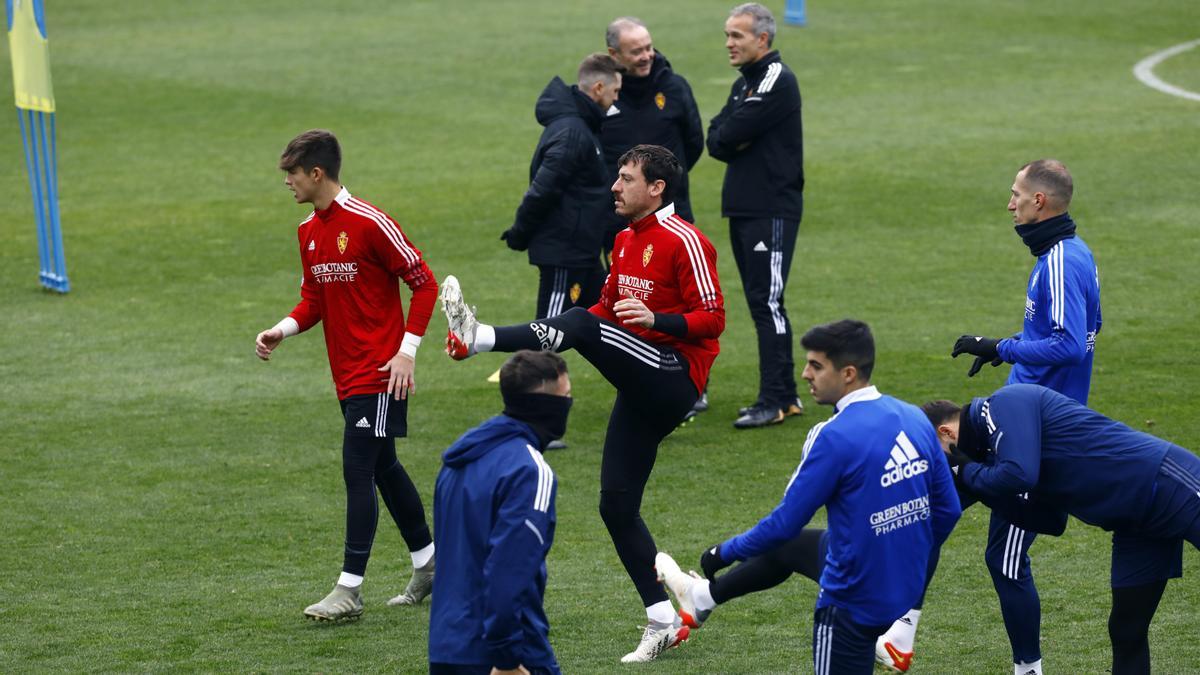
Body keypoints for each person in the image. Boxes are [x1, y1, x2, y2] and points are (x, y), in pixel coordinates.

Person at [441, 144, 724, 663]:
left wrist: (657, 322)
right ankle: (663, 619)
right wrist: (573, 329)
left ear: (656, 188)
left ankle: (477, 335)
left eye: (626, 178)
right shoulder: (622, 240)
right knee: (615, 504)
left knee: (582, 323)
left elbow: (714, 318)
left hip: (676, 377)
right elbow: (601, 310)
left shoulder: (686, 240)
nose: (615, 187)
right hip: (641, 384)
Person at [878, 159, 1102, 674]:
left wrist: (1002, 346)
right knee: (932, 510)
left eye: (1016, 194)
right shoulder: (1064, 255)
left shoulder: (1065, 261)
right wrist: (1010, 353)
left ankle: (1029, 670)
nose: (1010, 204)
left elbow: (1070, 346)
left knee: (1003, 560)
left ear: (1039, 201)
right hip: (1009, 421)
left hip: (1036, 437)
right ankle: (900, 635)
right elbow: (1078, 334)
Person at [655, 319, 961, 674]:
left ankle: (703, 593)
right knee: (792, 549)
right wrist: (904, 556)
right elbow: (949, 509)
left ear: (847, 373)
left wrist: (723, 552)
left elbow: (783, 524)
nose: (804, 374)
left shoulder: (832, 436)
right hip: (901, 589)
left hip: (851, 600)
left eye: (816, 366)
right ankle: (702, 597)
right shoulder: (913, 417)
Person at [254, 129, 438, 621]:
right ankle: (429, 563)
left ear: (316, 174)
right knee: (384, 468)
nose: (287, 182)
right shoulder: (307, 231)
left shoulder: (371, 222)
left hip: (380, 373)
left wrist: (407, 353)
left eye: (292, 174)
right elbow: (314, 299)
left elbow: (423, 283)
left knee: (357, 469)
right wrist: (282, 329)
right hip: (346, 374)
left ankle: (349, 589)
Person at [922, 384, 1200, 675]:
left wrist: (966, 472)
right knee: (1126, 630)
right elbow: (1052, 522)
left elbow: (1019, 473)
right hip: (1135, 526)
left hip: (1166, 481)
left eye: (941, 459)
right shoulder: (994, 453)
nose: (945, 468)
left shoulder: (1002, 403)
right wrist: (985, 490)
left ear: (947, 433)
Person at [428, 350, 570, 675]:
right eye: (566, 396)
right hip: (508, 653)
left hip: (447, 646)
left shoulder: (457, 462)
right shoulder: (530, 472)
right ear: (546, 406)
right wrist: (506, 659)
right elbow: (508, 570)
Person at [602, 17, 709, 421]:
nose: (647, 55)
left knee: (679, 296)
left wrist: (660, 189)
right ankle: (639, 379)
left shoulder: (674, 87)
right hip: (619, 220)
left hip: (671, 217)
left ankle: (689, 385)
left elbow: (694, 144)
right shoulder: (607, 94)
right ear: (615, 56)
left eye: (649, 47)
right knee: (626, 297)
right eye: (636, 50)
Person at [708, 3, 806, 429]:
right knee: (760, 300)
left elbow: (728, 134)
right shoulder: (744, 83)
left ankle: (776, 399)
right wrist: (733, 134)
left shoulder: (774, 79)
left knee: (767, 302)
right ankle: (784, 396)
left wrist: (734, 135)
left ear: (762, 40)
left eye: (737, 36)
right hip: (748, 208)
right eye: (728, 35)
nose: (729, 43)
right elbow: (717, 139)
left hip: (771, 209)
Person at [502, 53, 622, 321]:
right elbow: (542, 190)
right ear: (599, 88)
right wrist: (520, 233)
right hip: (565, 253)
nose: (616, 99)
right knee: (545, 338)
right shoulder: (573, 133)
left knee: (611, 329)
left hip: (583, 253)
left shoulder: (581, 128)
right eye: (615, 91)